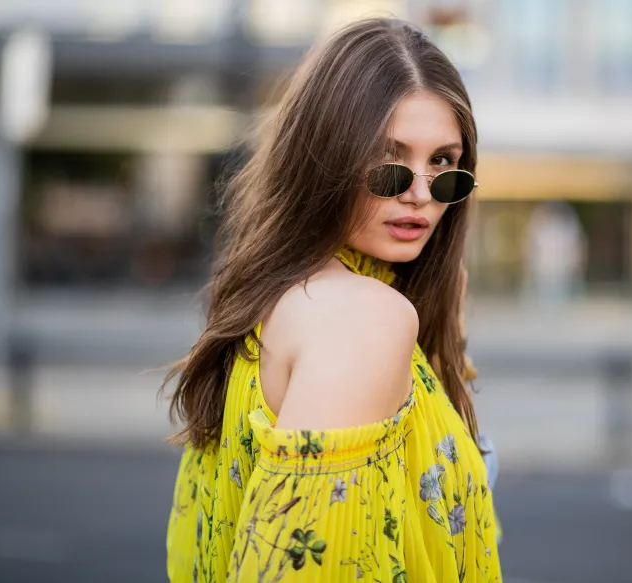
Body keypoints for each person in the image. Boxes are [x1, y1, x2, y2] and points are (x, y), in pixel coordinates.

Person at [164, 19, 502, 583]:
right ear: (323, 156)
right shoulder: (362, 318)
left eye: (443, 163)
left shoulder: (271, 296)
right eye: (389, 159)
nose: (420, 192)